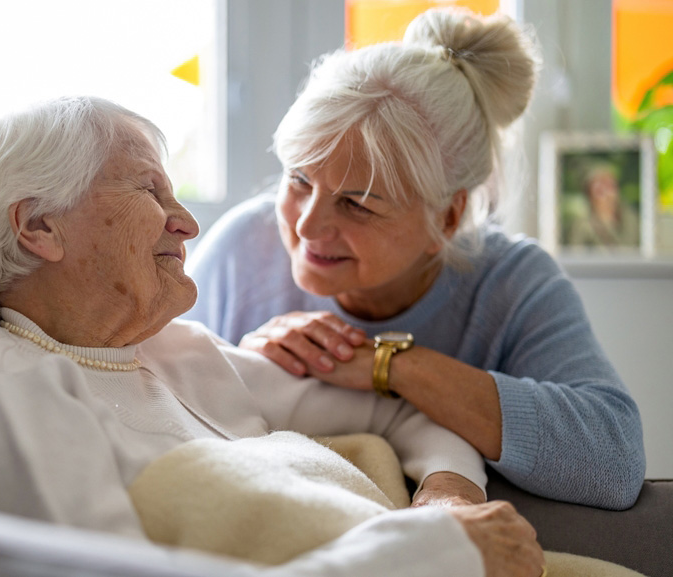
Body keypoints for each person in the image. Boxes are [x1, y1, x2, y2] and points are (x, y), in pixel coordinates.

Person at [0, 94, 544, 577]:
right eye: (149, 190)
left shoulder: (183, 351)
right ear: (40, 226)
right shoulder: (0, 390)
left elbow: (406, 414)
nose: (187, 224)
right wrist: (435, 553)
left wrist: (448, 499)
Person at [183, 8, 645, 510]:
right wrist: (242, 368)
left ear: (447, 218)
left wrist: (391, 366)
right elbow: (151, 407)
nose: (307, 226)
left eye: (356, 204)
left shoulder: (512, 283)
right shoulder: (241, 252)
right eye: (298, 179)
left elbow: (614, 462)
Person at [566, 161, 640, 248]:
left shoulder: (633, 219)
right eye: (599, 187)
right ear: (589, 193)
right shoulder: (582, 227)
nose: (606, 191)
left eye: (609, 184)